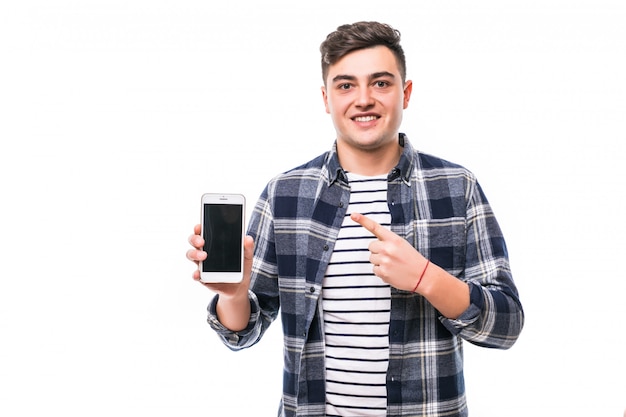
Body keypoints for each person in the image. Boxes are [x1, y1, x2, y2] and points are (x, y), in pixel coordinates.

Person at [186, 21, 524, 417]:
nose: (363, 99)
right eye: (346, 85)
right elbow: (242, 333)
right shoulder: (285, 194)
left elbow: (506, 325)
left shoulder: (456, 186)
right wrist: (234, 294)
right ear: (326, 98)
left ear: (406, 93)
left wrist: (426, 279)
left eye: (381, 83)